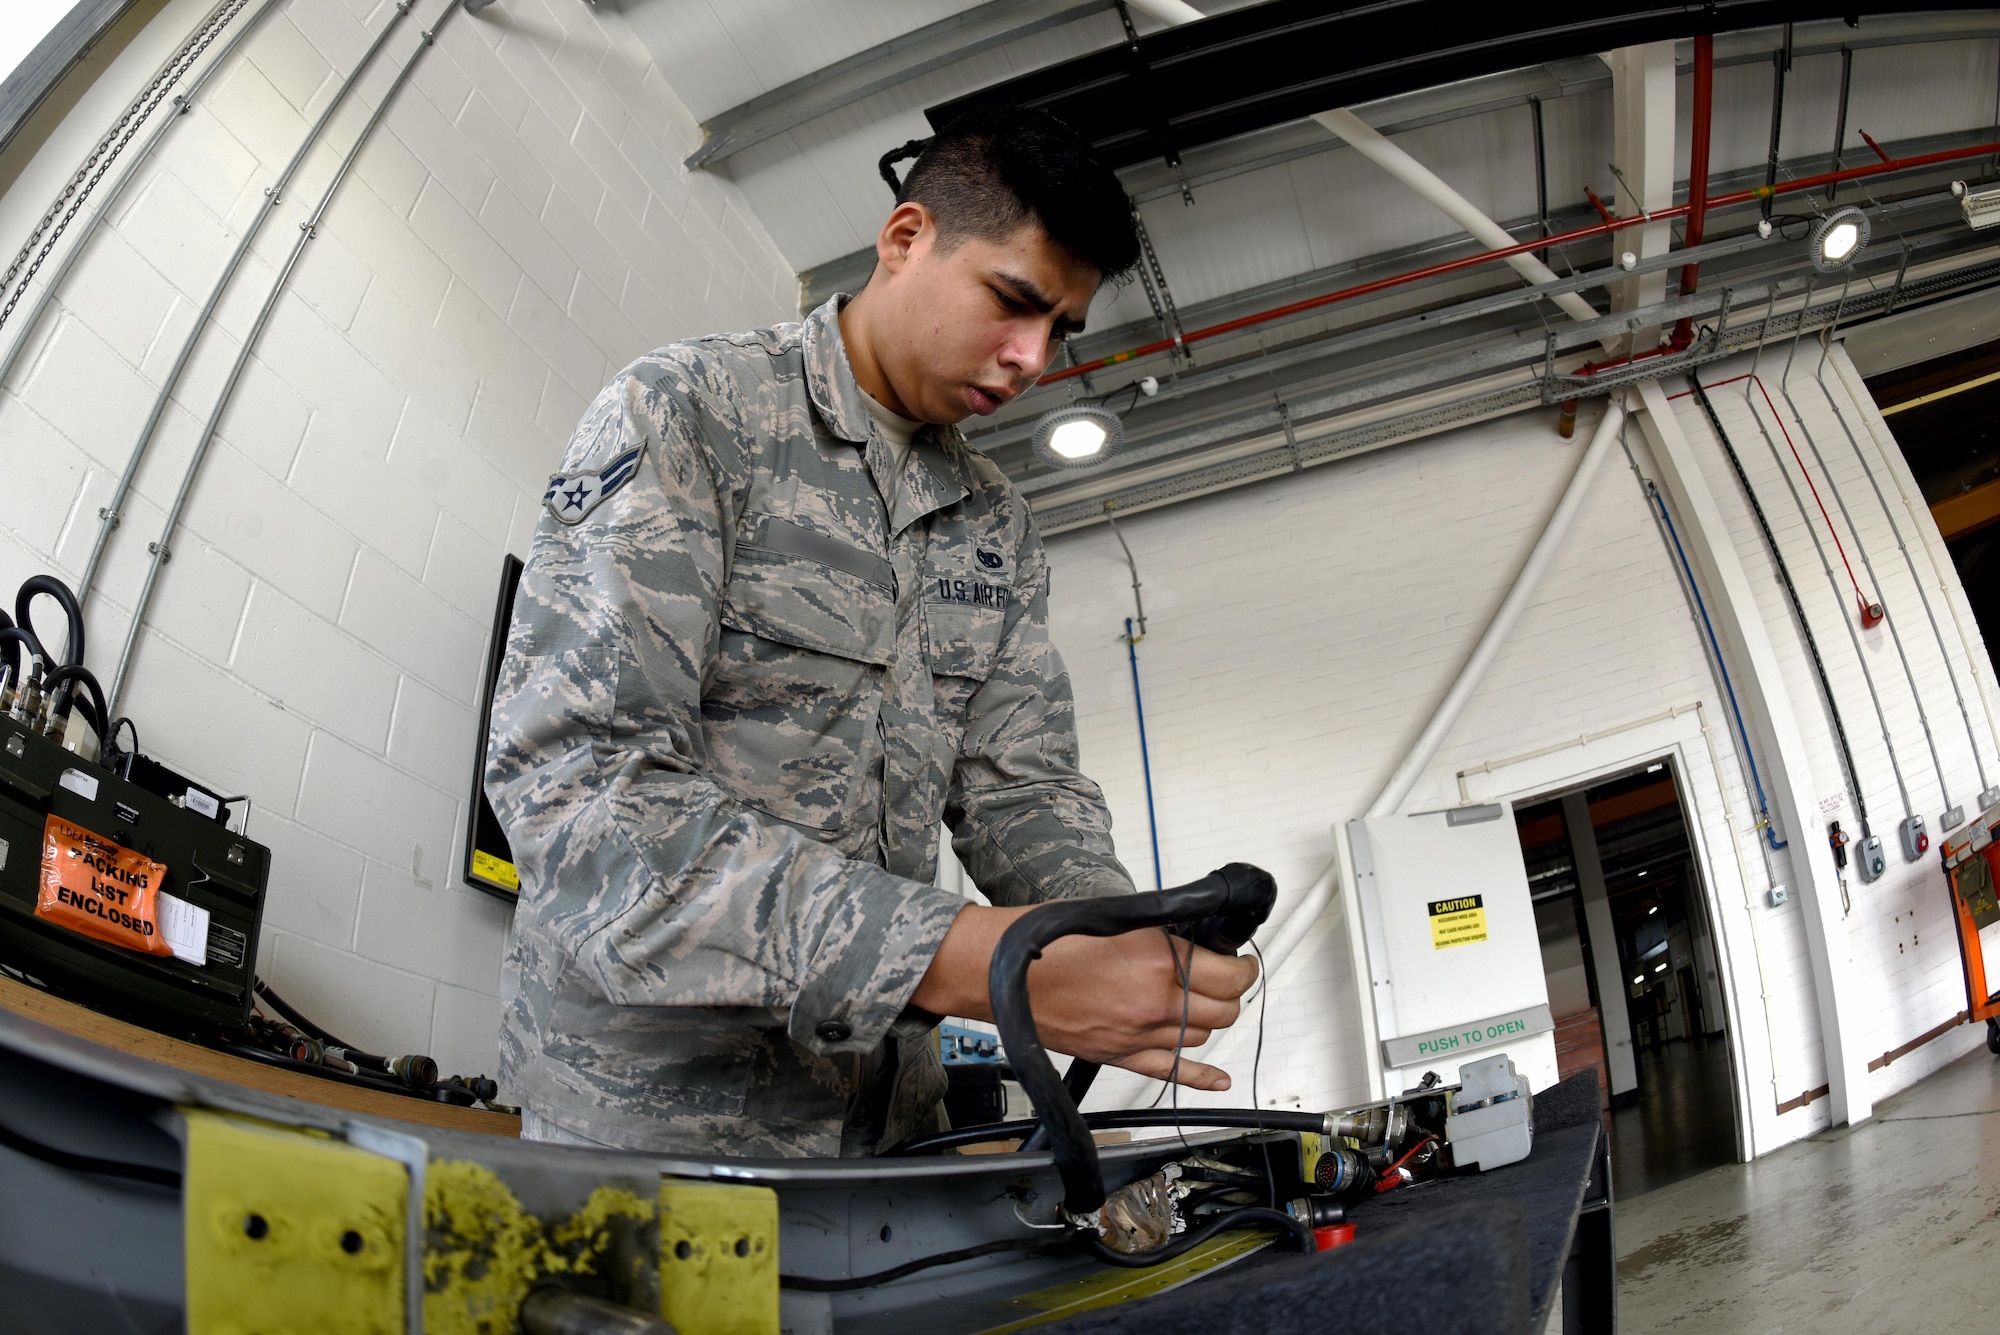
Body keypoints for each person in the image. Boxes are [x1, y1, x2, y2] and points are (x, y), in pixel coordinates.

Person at [487, 107, 1258, 1157]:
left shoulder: (995, 525)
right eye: (1013, 301)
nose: (1032, 358)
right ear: (905, 240)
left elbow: (1019, 790)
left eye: (1060, 330)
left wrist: (1116, 941)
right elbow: (582, 794)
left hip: (888, 1129)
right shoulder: (688, 412)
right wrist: (986, 961)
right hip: (654, 1122)